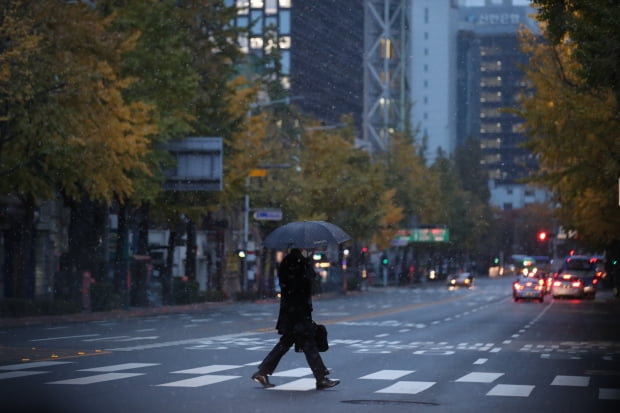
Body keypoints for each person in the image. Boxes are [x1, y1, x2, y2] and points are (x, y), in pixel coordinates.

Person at [251, 248, 339, 390]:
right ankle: (321, 378)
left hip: (294, 312)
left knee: (286, 343)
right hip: (296, 312)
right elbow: (300, 286)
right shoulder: (293, 263)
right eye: (308, 249)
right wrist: (307, 269)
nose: (310, 251)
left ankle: (262, 372)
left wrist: (307, 266)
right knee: (308, 344)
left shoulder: (296, 262)